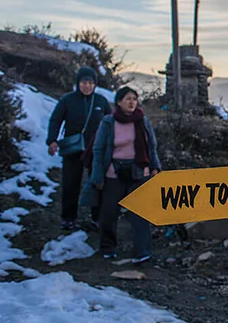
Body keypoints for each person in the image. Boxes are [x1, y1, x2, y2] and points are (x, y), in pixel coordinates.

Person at [82, 86, 162, 262]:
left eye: (134, 98)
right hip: (113, 173)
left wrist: (155, 167)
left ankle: (143, 252)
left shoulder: (142, 121)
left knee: (140, 213)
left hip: (139, 172)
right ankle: (108, 248)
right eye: (127, 98)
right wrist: (97, 176)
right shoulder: (109, 122)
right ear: (118, 102)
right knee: (109, 213)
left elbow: (152, 147)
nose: (132, 102)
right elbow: (98, 149)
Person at [46, 66, 111, 230]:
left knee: (97, 183)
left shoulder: (101, 101)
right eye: (84, 82)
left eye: (90, 82)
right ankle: (68, 218)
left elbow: (111, 122)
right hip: (73, 149)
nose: (87, 86)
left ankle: (97, 218)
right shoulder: (67, 100)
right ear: (78, 83)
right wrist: (52, 140)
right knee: (70, 184)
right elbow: (55, 120)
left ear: (95, 84)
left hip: (96, 150)